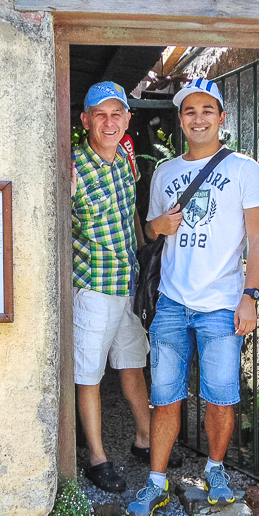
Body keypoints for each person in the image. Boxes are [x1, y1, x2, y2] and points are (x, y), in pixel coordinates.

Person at [127, 78, 259, 516]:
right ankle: (156, 482)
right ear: (181, 119)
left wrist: (249, 295)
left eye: (207, 110)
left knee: (220, 396)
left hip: (222, 302)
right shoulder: (167, 172)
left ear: (222, 118)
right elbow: (151, 230)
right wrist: (158, 228)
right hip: (171, 300)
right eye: (190, 111)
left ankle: (215, 469)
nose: (198, 118)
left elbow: (258, 237)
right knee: (164, 396)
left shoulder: (245, 170)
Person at [71, 81, 180, 494]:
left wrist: (143, 242)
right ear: (85, 121)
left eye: (117, 113)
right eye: (100, 114)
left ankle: (144, 440)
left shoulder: (126, 162)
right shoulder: (73, 167)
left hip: (126, 283)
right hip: (93, 288)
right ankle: (97, 458)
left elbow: (129, 213)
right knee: (89, 376)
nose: (110, 121)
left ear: (128, 119)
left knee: (133, 365)